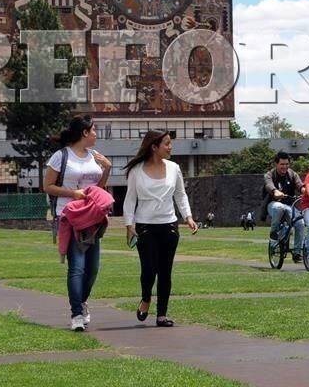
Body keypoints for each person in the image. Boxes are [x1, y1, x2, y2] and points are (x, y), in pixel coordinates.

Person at [43, 115, 112, 332]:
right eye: (93, 130)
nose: (96, 134)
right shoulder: (61, 156)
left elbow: (98, 189)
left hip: (93, 218)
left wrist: (107, 169)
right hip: (70, 217)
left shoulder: (94, 156)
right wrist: (73, 193)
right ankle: (76, 315)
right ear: (84, 132)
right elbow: (48, 186)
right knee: (77, 268)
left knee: (92, 269)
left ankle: (81, 301)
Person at [123, 129, 197, 328]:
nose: (170, 147)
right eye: (167, 143)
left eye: (170, 143)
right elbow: (130, 199)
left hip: (169, 226)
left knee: (165, 272)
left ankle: (162, 315)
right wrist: (129, 225)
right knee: (148, 270)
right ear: (154, 147)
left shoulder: (174, 168)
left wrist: (188, 217)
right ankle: (146, 298)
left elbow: (181, 195)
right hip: (145, 227)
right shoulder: (136, 170)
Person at [260, 151, 304, 262]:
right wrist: (275, 191)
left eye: (287, 164)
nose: (285, 167)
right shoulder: (270, 175)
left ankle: (297, 252)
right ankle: (274, 232)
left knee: (300, 223)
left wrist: (304, 190)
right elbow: (268, 184)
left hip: (290, 205)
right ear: (276, 164)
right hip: (273, 205)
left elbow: (300, 184)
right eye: (282, 164)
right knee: (280, 207)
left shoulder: (292, 174)